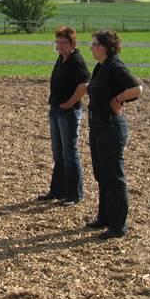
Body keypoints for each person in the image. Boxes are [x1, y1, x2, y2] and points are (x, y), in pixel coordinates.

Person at [85, 29, 143, 239]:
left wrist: (118, 98)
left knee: (114, 177)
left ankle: (118, 225)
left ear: (105, 47)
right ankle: (105, 216)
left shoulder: (116, 66)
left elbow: (137, 89)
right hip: (98, 125)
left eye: (94, 44)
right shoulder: (100, 67)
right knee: (102, 174)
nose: (91, 48)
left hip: (111, 127)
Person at [37, 26, 90, 206]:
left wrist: (70, 102)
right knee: (58, 153)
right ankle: (57, 190)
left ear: (72, 43)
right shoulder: (62, 59)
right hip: (56, 109)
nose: (59, 45)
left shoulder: (76, 60)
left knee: (70, 152)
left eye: (62, 42)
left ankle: (74, 194)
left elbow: (84, 84)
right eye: (57, 41)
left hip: (69, 111)